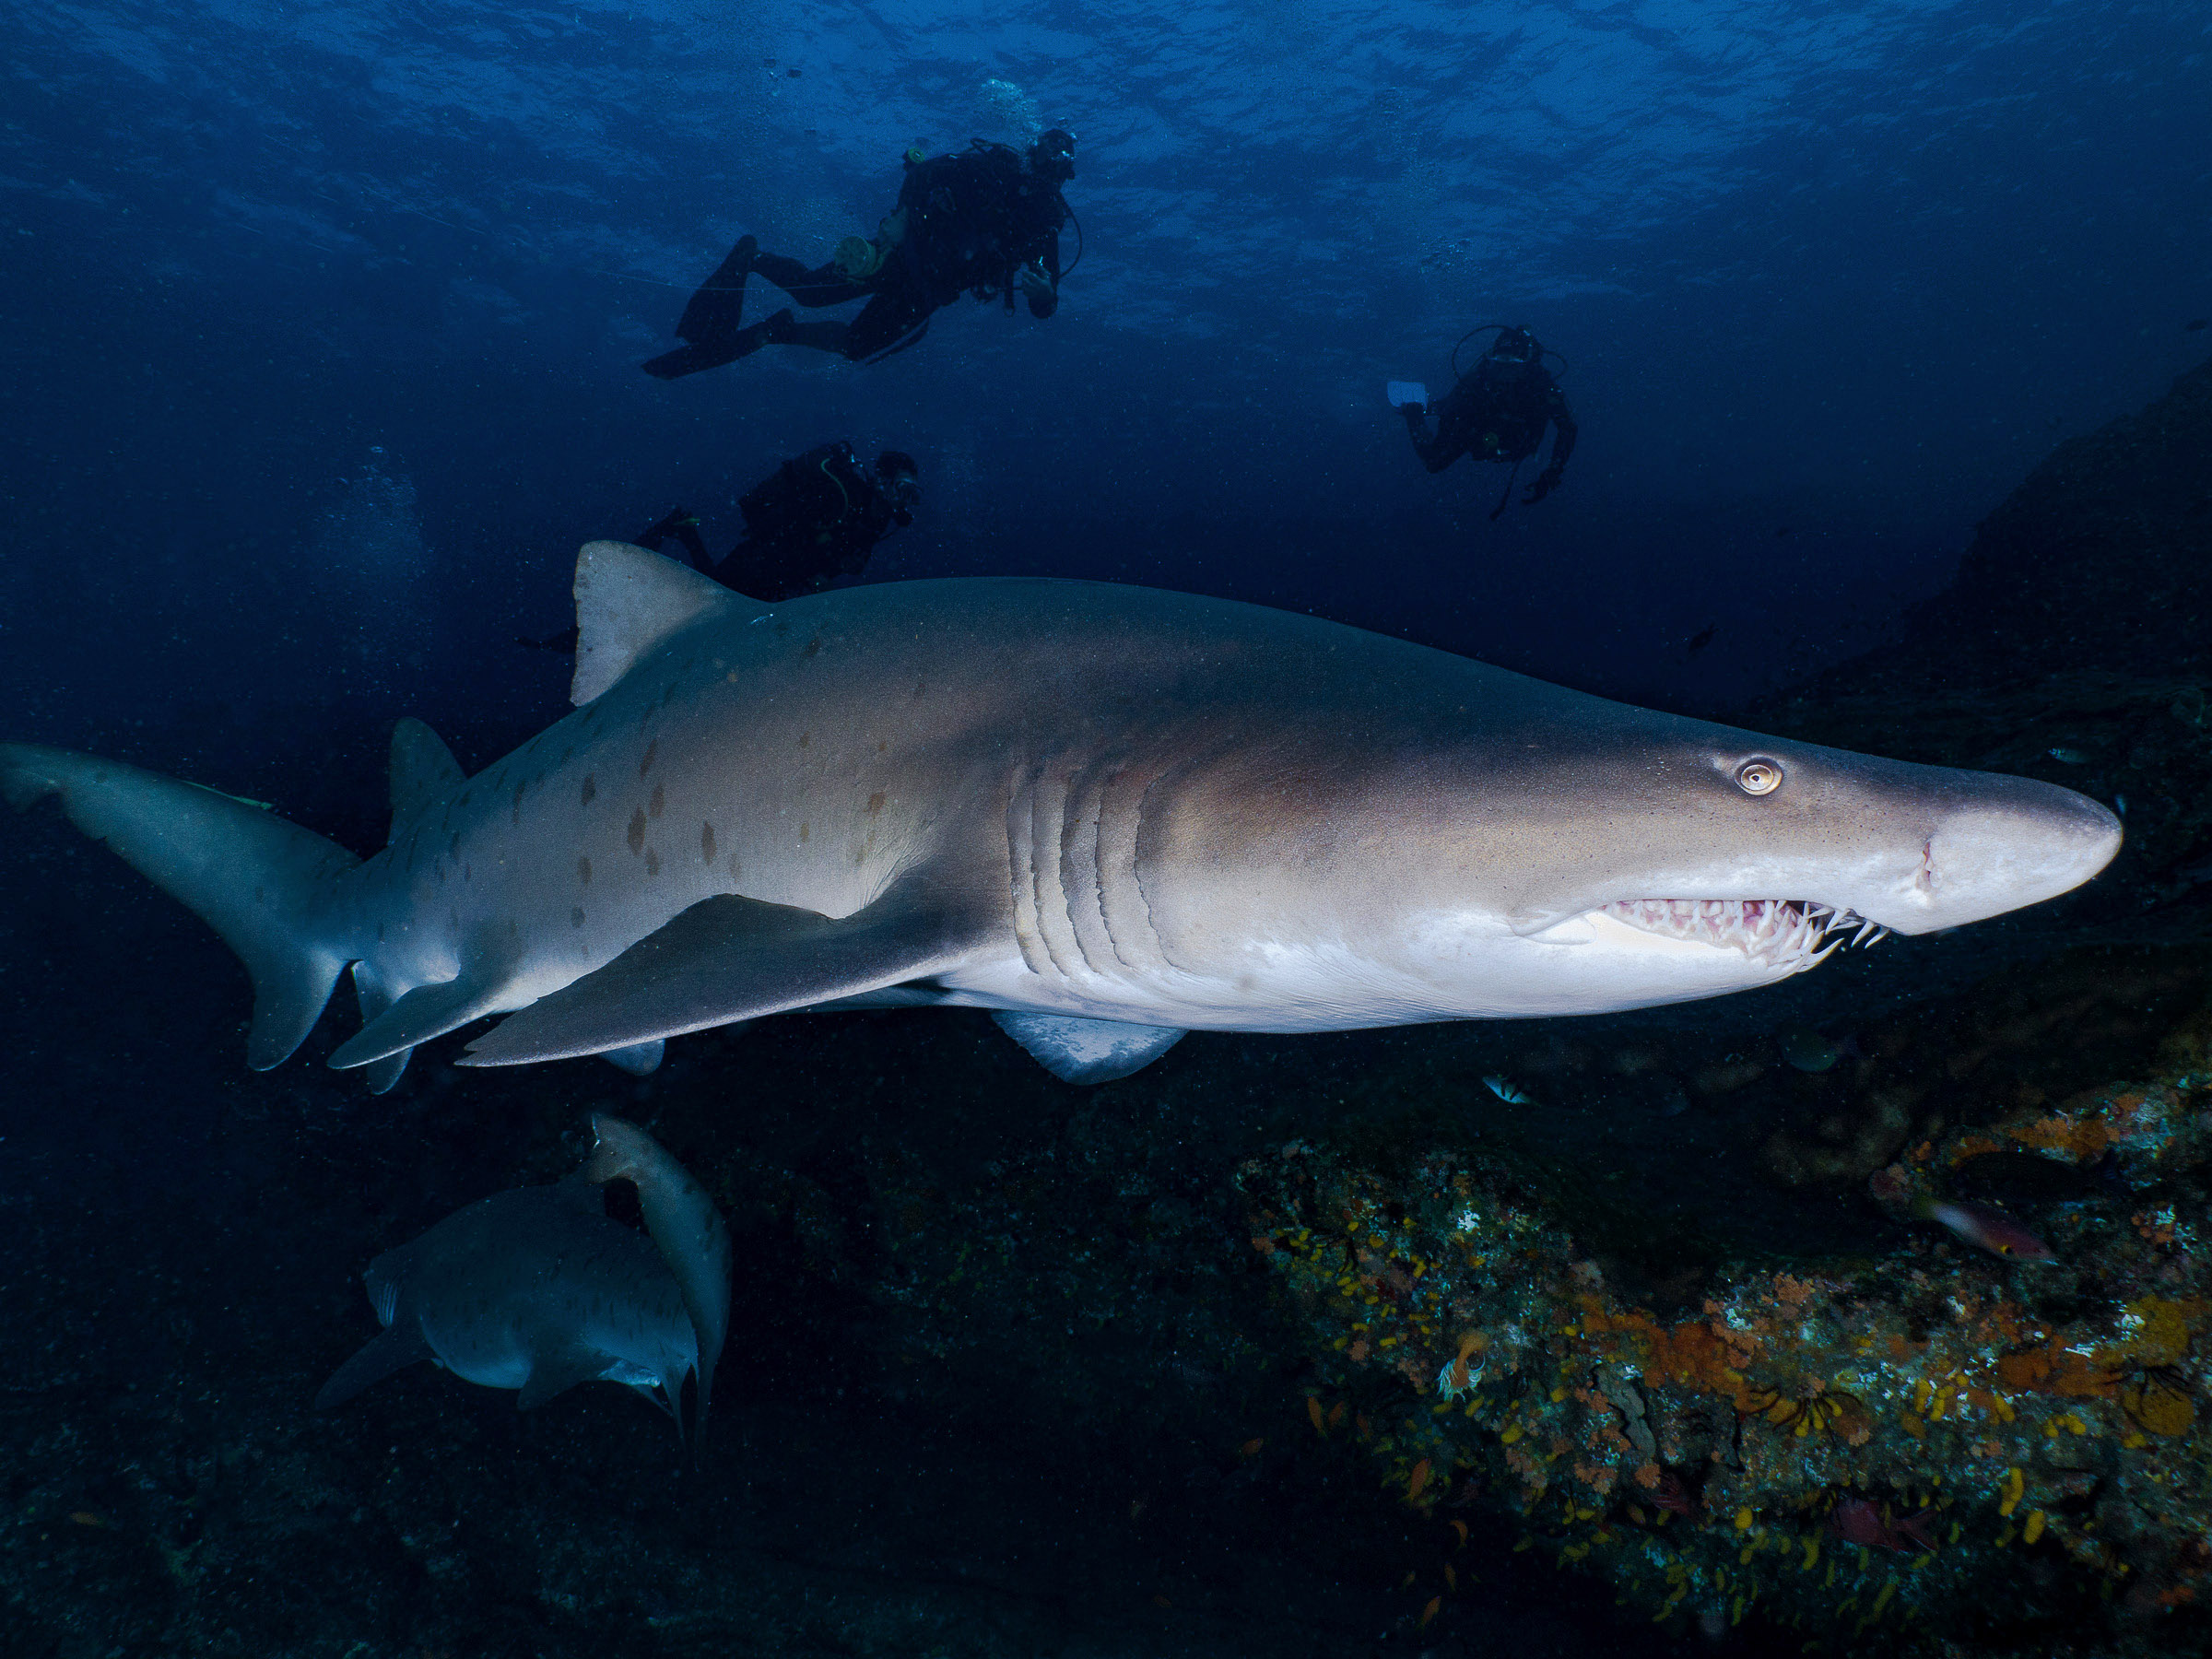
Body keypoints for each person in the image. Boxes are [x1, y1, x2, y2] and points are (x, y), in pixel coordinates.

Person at [642, 130, 1077, 378]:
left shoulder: (1044, 224)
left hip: (929, 291)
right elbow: (922, 171)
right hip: (899, 252)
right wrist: (904, 217)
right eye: (1045, 160)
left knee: (856, 347)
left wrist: (1043, 297)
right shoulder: (991, 168)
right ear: (1031, 153)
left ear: (1064, 176)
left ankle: (777, 332)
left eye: (1059, 169)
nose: (1047, 173)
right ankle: (751, 257)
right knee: (812, 293)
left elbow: (1047, 304)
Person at [517, 446, 919, 653]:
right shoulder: (843, 492)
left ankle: (683, 532)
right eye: (902, 487)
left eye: (912, 493)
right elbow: (797, 536)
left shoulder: (873, 519)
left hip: (784, 582)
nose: (906, 500)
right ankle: (681, 533)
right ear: (881, 478)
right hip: (766, 563)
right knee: (701, 603)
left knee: (708, 604)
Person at [1401, 325, 1577, 511]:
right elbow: (1449, 406)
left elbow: (1568, 427)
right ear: (1492, 358)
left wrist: (1553, 471)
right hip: (1477, 432)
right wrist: (1417, 414)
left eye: (1513, 363)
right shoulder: (1479, 377)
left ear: (1527, 363)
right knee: (1433, 462)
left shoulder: (1543, 387)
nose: (1505, 371)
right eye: (1500, 362)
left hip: (1518, 442)